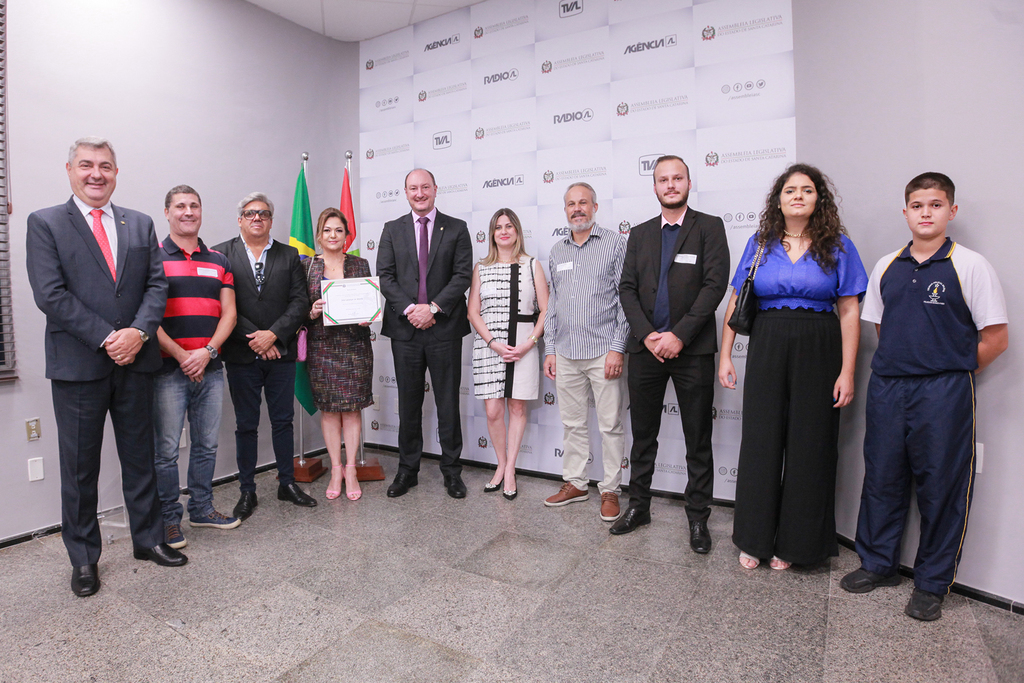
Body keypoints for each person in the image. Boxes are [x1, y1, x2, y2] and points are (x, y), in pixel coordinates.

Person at [841, 172, 1008, 621]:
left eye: (935, 205)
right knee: (883, 477)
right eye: (917, 205)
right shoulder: (886, 265)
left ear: (951, 211)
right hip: (890, 387)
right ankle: (877, 563)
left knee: (942, 486)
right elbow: (882, 328)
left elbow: (996, 338)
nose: (926, 213)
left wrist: (948, 368)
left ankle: (932, 584)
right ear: (906, 212)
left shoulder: (970, 265)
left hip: (944, 391)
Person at [26, 137, 186, 597]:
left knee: (141, 458)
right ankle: (83, 559)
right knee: (79, 469)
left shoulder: (138, 224)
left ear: (117, 172)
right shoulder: (46, 223)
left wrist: (137, 333)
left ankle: (149, 539)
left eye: (106, 166)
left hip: (137, 361)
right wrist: (106, 337)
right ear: (70, 170)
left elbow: (157, 287)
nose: (97, 174)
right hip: (80, 364)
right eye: (87, 165)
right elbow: (50, 295)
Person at [719, 163, 868, 570]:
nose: (798, 195)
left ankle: (797, 544)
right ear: (778, 200)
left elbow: (850, 311)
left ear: (819, 198)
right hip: (767, 341)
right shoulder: (760, 243)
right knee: (762, 440)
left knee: (811, 444)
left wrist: (847, 371)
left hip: (820, 345)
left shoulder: (839, 246)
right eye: (790, 190)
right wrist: (726, 354)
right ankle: (754, 537)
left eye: (806, 189)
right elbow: (737, 298)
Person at [614, 156, 729, 551]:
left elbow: (715, 286)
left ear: (688, 182)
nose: (670, 184)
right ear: (655, 187)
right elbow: (626, 288)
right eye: (663, 179)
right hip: (645, 351)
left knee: (698, 438)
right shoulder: (640, 233)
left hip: (692, 350)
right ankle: (639, 506)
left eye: (677, 177)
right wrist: (647, 335)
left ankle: (698, 519)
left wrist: (679, 335)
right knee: (643, 436)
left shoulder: (709, 227)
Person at [214, 193, 316, 520]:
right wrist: (257, 339)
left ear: (271, 220)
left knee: (283, 422)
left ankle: (287, 483)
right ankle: (247, 491)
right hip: (242, 355)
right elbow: (221, 305)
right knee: (246, 425)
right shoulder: (221, 254)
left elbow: (300, 302)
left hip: (280, 354)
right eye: (250, 213)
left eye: (264, 213)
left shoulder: (290, 256)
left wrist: (274, 334)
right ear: (240, 219)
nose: (257, 218)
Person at [376, 168, 473, 499]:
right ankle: (407, 470)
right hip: (405, 331)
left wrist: (431, 308)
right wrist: (411, 310)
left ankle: (452, 471)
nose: (419, 193)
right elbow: (385, 277)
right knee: (409, 402)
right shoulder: (392, 230)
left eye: (425, 187)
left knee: (447, 402)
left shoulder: (457, 228)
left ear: (435, 189)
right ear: (405, 192)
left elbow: (461, 276)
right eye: (413, 188)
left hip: (444, 328)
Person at [152, 185, 239, 550]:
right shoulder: (151, 258)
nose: (188, 212)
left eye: (194, 206)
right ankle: (169, 521)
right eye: (180, 206)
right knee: (167, 450)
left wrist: (206, 352)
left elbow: (230, 313)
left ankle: (202, 509)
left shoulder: (219, 260)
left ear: (201, 212)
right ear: (168, 213)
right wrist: (180, 354)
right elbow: (145, 317)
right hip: (167, 370)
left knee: (206, 445)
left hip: (211, 367)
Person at [542, 182, 629, 522]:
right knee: (573, 424)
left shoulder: (614, 244)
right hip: (565, 351)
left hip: (602, 350)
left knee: (610, 425)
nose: (576, 209)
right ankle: (576, 483)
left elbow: (626, 299)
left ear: (595, 207)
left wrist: (617, 348)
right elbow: (553, 305)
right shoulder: (557, 251)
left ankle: (610, 489)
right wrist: (550, 348)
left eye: (583, 203)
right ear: (565, 210)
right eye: (570, 204)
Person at [467, 208, 549, 500]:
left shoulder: (532, 265)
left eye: (509, 226)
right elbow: (473, 312)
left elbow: (545, 311)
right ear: (492, 233)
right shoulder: (481, 267)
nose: (504, 231)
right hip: (489, 346)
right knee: (493, 411)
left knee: (516, 408)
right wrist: (492, 342)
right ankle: (500, 464)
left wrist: (529, 343)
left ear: (517, 231)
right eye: (498, 227)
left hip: (522, 346)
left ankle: (510, 469)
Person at [305, 208, 374, 501]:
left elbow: (370, 304)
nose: (333, 236)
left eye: (339, 230)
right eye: (327, 230)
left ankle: (351, 469)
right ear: (319, 235)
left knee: (352, 409)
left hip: (355, 347)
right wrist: (312, 310)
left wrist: (368, 316)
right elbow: (298, 309)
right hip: (322, 347)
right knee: (330, 410)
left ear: (347, 235)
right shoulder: (306, 267)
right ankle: (335, 468)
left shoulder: (360, 264)